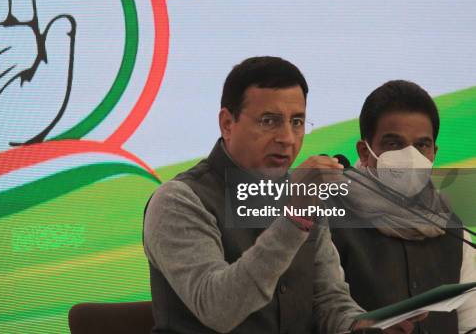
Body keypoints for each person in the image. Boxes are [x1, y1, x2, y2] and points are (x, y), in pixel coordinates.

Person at [143, 57, 419, 333]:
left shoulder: (304, 195)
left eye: (297, 121)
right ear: (227, 124)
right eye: (269, 121)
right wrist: (294, 218)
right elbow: (218, 309)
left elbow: (328, 301)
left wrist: (364, 326)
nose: (287, 138)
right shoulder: (178, 201)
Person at [330, 80, 476, 333]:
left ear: (433, 152)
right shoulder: (329, 220)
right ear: (365, 152)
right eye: (394, 144)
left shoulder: (453, 228)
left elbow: (470, 321)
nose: (410, 155)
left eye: (421, 145)